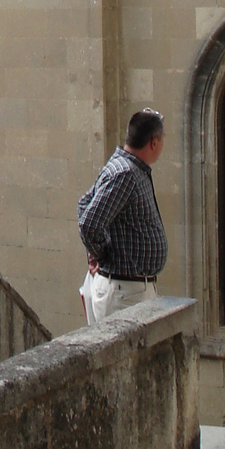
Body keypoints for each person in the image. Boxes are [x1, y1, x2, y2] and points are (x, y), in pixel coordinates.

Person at [77, 108, 168, 326]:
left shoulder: (125, 167)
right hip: (124, 293)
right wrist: (99, 254)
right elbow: (89, 222)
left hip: (131, 290)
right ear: (153, 143)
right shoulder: (125, 173)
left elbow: (84, 203)